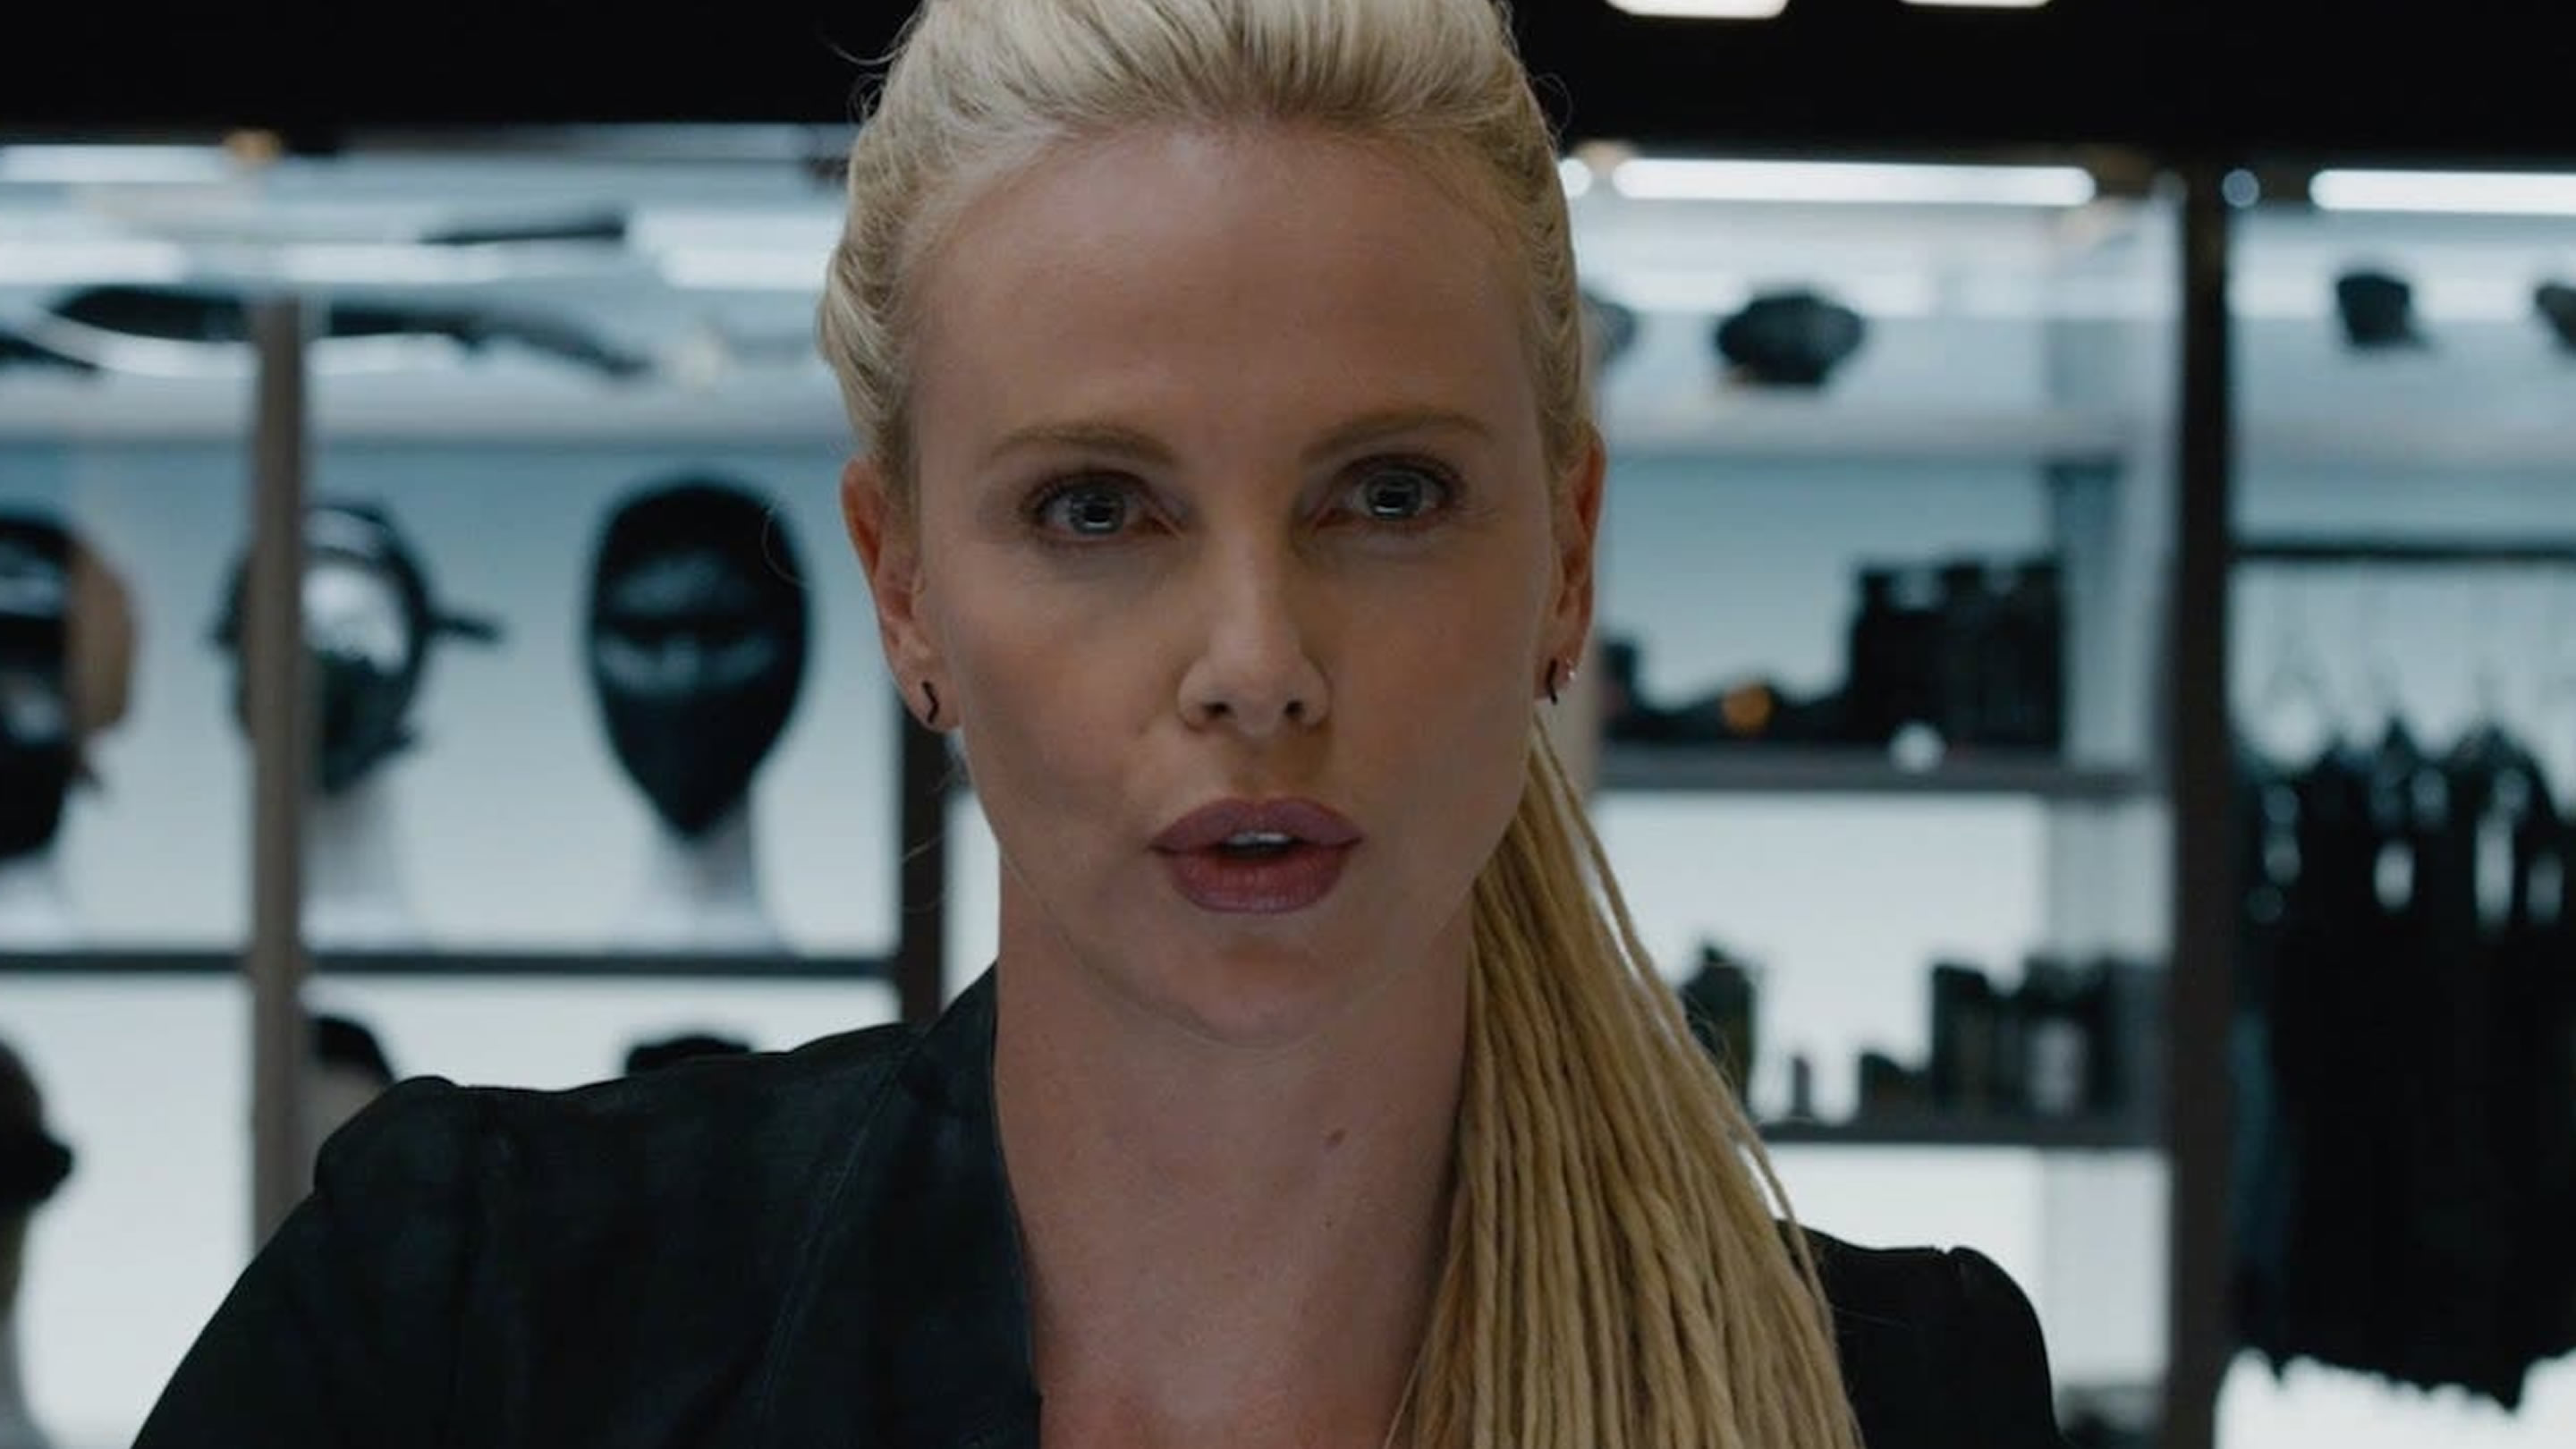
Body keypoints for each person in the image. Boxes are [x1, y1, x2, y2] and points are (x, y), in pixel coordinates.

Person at [131, 2, 2069, 1445]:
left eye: (1388, 495)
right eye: (1095, 510)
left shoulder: (1890, 1401)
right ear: (904, 589)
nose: (1256, 662)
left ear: (1566, 557)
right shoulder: (480, 1330)